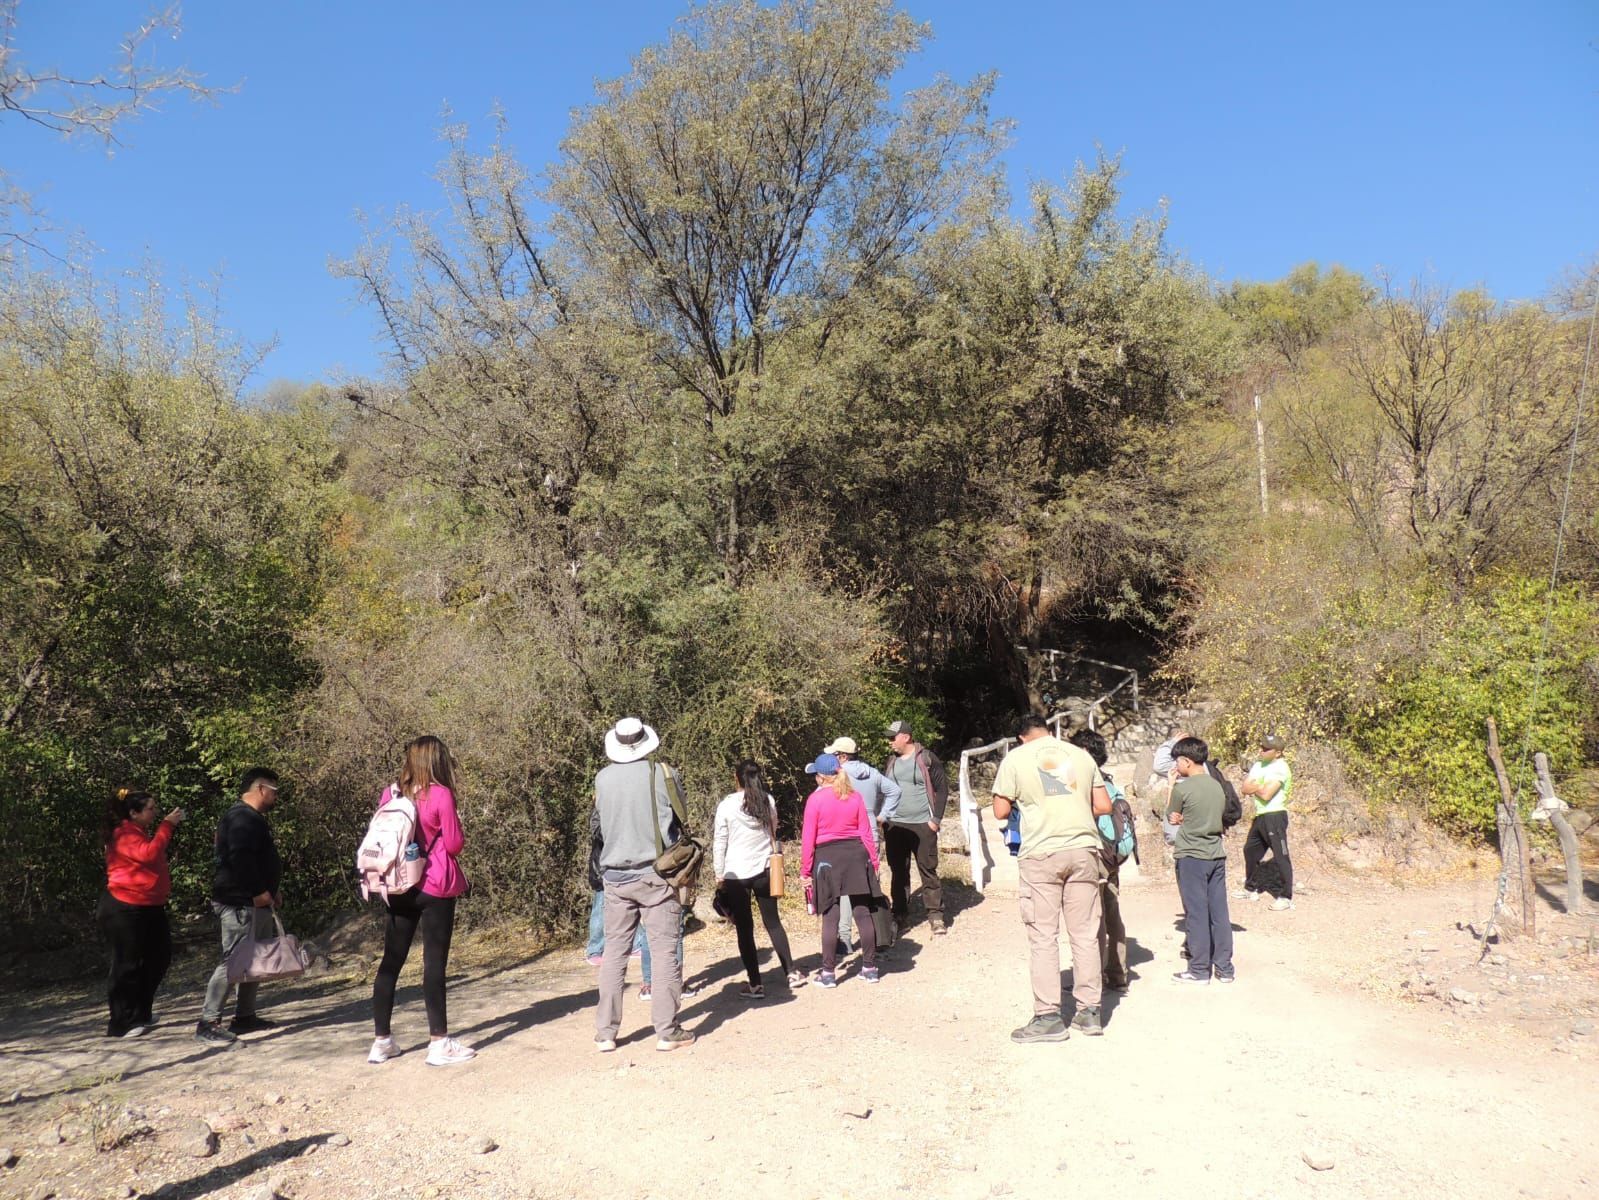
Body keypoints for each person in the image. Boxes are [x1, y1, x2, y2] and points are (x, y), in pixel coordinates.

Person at [992, 715, 1112, 1043]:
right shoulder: (1081, 755)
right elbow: (1103, 805)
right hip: (1083, 849)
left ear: (1021, 737)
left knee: (1044, 936)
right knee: (1085, 933)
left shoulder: (1016, 759)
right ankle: (1089, 1013)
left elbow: (1000, 811)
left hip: (1041, 853)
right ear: (1049, 730)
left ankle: (1048, 1017)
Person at [368, 735, 476, 1067]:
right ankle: (439, 1042)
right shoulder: (441, 794)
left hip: (399, 885)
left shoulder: (392, 793)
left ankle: (381, 1041)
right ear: (437, 760)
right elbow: (455, 844)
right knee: (434, 964)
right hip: (435, 885)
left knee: (391, 962)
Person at [591, 717, 696, 1052]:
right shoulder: (663, 774)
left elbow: (598, 827)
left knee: (614, 953)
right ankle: (666, 1030)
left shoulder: (603, 779)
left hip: (615, 878)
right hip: (657, 874)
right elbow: (680, 819)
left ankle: (606, 1032)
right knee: (664, 952)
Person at [197, 768, 284, 1045]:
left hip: (256, 901)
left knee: (254, 959)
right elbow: (240, 858)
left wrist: (272, 890)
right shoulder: (241, 818)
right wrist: (258, 891)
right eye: (275, 791)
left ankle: (245, 1016)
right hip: (239, 903)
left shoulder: (251, 818)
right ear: (261, 789)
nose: (276, 797)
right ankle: (208, 1022)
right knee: (234, 960)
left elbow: (258, 859)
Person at [98, 788, 184, 1038]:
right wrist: (167, 825)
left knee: (160, 956)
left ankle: (140, 1011)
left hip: (149, 905)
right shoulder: (124, 833)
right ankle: (121, 1022)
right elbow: (149, 854)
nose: (155, 813)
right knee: (127, 964)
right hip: (124, 907)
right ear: (134, 813)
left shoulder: (139, 831)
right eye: (150, 809)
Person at [713, 759, 802, 998]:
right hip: (764, 868)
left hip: (735, 874)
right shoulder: (767, 800)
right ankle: (791, 972)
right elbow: (773, 831)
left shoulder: (727, 806)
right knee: (773, 922)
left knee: (745, 928)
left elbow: (720, 841)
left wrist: (718, 873)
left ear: (736, 778)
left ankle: (755, 984)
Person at [800, 753, 881, 987]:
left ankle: (828, 973)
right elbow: (866, 832)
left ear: (822, 777)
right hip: (856, 856)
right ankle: (870, 968)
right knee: (862, 912)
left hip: (827, 859)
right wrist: (873, 862)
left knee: (830, 916)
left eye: (816, 773)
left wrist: (805, 871)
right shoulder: (854, 797)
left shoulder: (815, 801)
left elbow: (809, 839)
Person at [823, 736, 900, 955]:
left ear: (843, 756)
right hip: (871, 832)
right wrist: (882, 815)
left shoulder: (840, 777)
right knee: (869, 885)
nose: (832, 759)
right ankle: (878, 936)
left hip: (849, 833)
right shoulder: (872, 773)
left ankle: (846, 938)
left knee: (845, 888)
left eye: (834, 755)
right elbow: (895, 791)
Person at [1068, 729, 1130, 996]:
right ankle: (1118, 973)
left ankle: (1092, 977)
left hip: (1095, 855)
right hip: (1113, 855)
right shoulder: (1110, 783)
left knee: (1092, 918)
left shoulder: (1089, 785)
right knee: (1112, 912)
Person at [1167, 736, 1233, 983]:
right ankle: (1225, 969)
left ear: (1186, 761)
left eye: (1177, 761)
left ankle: (1198, 969)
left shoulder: (1183, 787)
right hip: (1216, 853)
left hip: (1192, 855)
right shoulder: (1217, 785)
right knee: (1219, 912)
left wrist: (1171, 785)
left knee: (1195, 913)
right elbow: (1209, 817)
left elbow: (1170, 815)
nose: (1176, 766)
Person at [881, 720, 949, 935]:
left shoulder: (927, 759)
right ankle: (899, 914)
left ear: (906, 737)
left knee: (927, 869)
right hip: (895, 825)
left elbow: (942, 789)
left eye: (893, 737)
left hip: (922, 824)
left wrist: (935, 820)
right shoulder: (891, 760)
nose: (890, 741)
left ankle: (935, 915)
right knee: (898, 871)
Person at [1241, 733, 1294, 910]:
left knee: (1281, 855)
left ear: (1277, 753)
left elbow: (1266, 794)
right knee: (1250, 850)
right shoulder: (1258, 765)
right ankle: (1251, 887)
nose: (1261, 751)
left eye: (1266, 749)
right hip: (1261, 815)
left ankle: (1285, 896)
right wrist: (1258, 787)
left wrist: (1254, 787)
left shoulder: (1281, 768)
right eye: (1261, 747)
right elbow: (1244, 788)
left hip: (1275, 814)